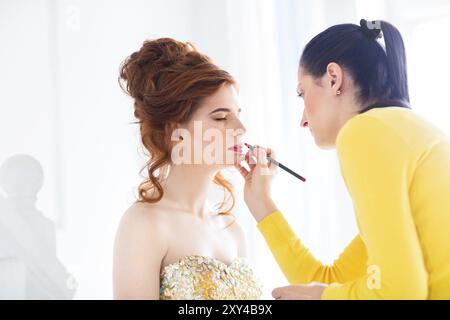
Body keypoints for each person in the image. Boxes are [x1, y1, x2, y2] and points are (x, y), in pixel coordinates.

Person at [236, 19, 450, 299]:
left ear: (333, 78)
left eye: (302, 93)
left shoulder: (365, 131)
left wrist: (323, 297)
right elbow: (328, 280)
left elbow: (400, 292)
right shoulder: (401, 130)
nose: (302, 120)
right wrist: (261, 203)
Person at [113, 38, 262, 300]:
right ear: (175, 130)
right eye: (220, 117)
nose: (241, 128)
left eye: (238, 113)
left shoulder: (233, 229)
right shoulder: (144, 224)